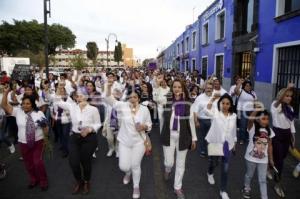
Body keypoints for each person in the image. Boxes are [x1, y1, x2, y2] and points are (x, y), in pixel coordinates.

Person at [105, 76, 152, 199]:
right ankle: (127, 172)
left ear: (139, 98)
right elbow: (108, 98)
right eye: (130, 97)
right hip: (124, 142)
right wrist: (109, 86)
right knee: (124, 166)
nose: (132, 99)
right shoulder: (123, 106)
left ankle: (136, 186)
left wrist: (144, 127)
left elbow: (150, 125)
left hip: (139, 142)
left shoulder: (144, 110)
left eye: (135, 97)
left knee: (136, 164)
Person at [1, 86, 49, 191]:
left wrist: (46, 137)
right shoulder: (18, 112)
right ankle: (33, 179)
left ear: (32, 104)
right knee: (28, 164)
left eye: (28, 104)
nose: (25, 105)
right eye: (23, 103)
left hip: (38, 142)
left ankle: (43, 181)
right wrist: (6, 92)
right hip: (23, 143)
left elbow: (46, 128)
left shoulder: (39, 113)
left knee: (38, 162)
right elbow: (4, 105)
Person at [54, 89, 101, 194]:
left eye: (80, 95)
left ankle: (86, 182)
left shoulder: (93, 109)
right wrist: (59, 87)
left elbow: (98, 124)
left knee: (85, 161)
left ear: (86, 96)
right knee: (73, 162)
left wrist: (90, 129)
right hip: (75, 137)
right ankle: (79, 181)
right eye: (77, 96)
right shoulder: (72, 107)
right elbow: (57, 101)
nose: (78, 97)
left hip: (89, 138)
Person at [160, 79, 197, 199]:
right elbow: (156, 98)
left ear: (183, 89)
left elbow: (191, 121)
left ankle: (177, 187)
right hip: (168, 135)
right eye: (175, 87)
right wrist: (157, 82)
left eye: (179, 87)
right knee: (169, 161)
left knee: (181, 164)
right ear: (172, 89)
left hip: (183, 136)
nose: (177, 89)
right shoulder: (166, 100)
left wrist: (194, 139)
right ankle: (168, 168)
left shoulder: (188, 103)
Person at [205, 93, 237, 199]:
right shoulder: (216, 113)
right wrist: (213, 98)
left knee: (225, 169)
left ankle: (223, 191)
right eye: (223, 103)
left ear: (231, 105)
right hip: (215, 143)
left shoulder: (234, 116)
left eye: (227, 103)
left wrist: (235, 143)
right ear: (220, 104)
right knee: (213, 163)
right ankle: (210, 173)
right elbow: (206, 110)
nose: (225, 105)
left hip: (228, 145)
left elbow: (233, 132)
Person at [242, 109, 275, 199]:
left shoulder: (270, 131)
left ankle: (264, 196)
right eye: (263, 119)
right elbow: (250, 120)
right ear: (257, 119)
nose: (266, 121)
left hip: (264, 160)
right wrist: (256, 110)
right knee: (249, 175)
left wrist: (271, 159)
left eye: (267, 119)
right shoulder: (252, 128)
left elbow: (270, 146)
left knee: (263, 179)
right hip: (250, 158)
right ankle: (246, 187)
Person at [270, 83, 296, 197]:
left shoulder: (290, 108)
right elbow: (278, 101)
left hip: (286, 135)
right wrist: (288, 88)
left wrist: (293, 137)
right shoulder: (275, 106)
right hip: (277, 136)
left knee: (281, 157)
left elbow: (291, 123)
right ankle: (277, 184)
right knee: (280, 162)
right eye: (287, 96)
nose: (289, 98)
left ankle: (269, 166)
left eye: (290, 96)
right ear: (281, 96)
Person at [193, 82, 214, 157]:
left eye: (210, 88)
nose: (209, 90)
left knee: (212, 137)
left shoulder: (215, 98)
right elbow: (195, 110)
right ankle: (203, 151)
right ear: (205, 88)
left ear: (213, 89)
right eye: (208, 88)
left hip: (213, 121)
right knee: (203, 137)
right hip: (202, 121)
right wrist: (196, 121)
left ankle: (212, 152)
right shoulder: (199, 97)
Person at [235, 80, 257, 145]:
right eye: (247, 85)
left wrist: (256, 110)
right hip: (243, 111)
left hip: (251, 111)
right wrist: (239, 83)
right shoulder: (241, 92)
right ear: (244, 86)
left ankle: (248, 137)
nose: (248, 87)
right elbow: (236, 90)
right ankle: (242, 139)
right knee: (243, 126)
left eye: (249, 86)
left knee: (250, 126)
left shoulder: (253, 93)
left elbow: (255, 102)